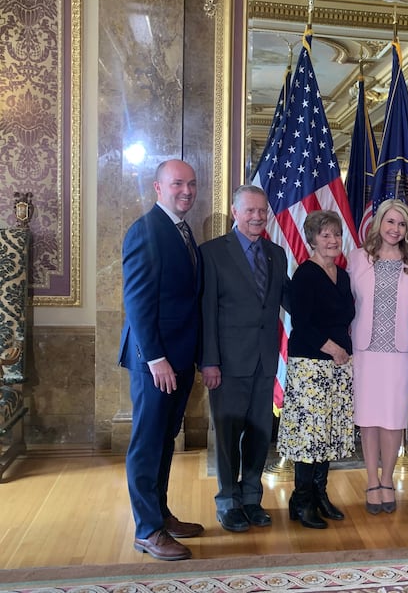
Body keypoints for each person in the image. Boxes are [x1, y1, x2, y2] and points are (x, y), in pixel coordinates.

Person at [118, 159, 204, 561]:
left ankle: (161, 514)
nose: (186, 191)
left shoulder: (183, 230)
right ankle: (147, 530)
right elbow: (137, 303)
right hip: (155, 361)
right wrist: (156, 358)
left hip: (179, 358)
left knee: (165, 439)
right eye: (177, 184)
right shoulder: (146, 230)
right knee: (147, 443)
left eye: (191, 184)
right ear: (158, 187)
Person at [199, 185, 289, 533]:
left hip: (265, 362)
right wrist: (209, 362)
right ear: (235, 212)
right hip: (226, 364)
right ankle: (228, 502)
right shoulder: (212, 253)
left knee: (259, 435)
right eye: (250, 210)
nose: (257, 217)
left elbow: (290, 300)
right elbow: (206, 312)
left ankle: (251, 498)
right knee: (226, 438)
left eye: (262, 211)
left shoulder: (276, 253)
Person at [277, 210, 356, 529]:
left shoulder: (343, 275)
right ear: (312, 239)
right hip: (310, 364)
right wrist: (334, 349)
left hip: (339, 366)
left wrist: (342, 352)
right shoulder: (305, 275)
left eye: (337, 234)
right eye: (325, 235)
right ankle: (302, 500)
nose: (333, 240)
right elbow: (303, 323)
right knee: (309, 435)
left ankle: (320, 494)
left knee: (328, 432)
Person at [347, 199, 408, 515]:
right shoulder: (357, 258)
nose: (395, 229)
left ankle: (387, 480)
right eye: (390, 222)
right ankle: (371, 481)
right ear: (379, 223)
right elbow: (344, 301)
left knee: (393, 418)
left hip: (401, 352)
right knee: (368, 418)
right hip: (365, 350)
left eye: (402, 224)